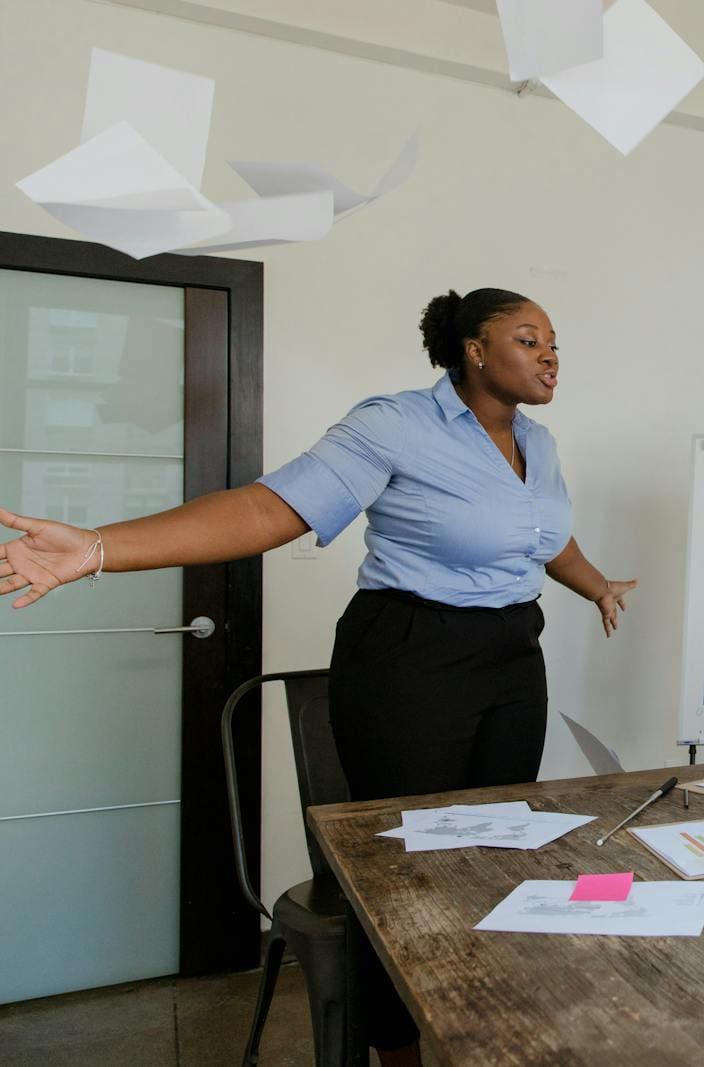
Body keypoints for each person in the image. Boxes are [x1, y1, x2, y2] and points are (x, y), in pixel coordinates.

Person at [0, 287, 635, 1065]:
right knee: (398, 869)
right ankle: (396, 1049)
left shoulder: (538, 442)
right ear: (474, 349)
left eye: (555, 343)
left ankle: (471, 1025)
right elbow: (269, 508)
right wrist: (98, 547)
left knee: (493, 853)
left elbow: (542, 537)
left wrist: (598, 585)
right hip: (409, 655)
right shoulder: (396, 423)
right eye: (529, 339)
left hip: (511, 657)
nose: (550, 356)